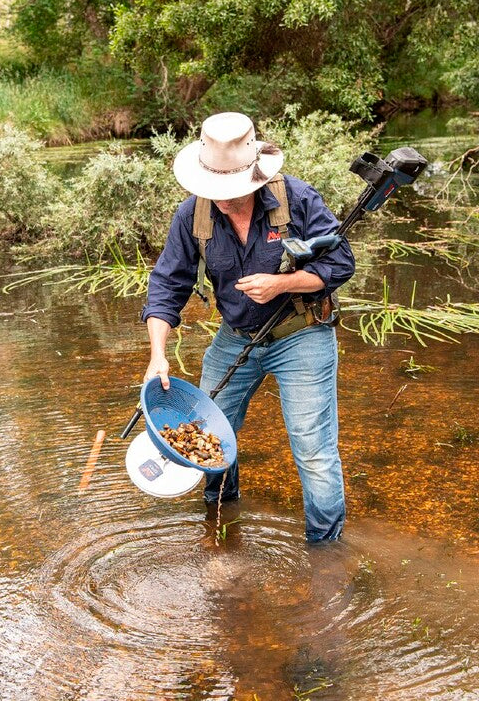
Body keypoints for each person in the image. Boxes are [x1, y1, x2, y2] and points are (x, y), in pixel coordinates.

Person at [141, 112, 355, 542]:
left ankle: (326, 555)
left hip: (302, 333)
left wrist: (284, 283)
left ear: (255, 177)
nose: (220, 199)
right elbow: (168, 284)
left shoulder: (296, 199)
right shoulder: (193, 216)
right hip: (235, 336)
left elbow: (341, 262)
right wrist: (158, 355)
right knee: (206, 434)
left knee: (313, 451)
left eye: (229, 190)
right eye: (212, 188)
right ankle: (222, 521)